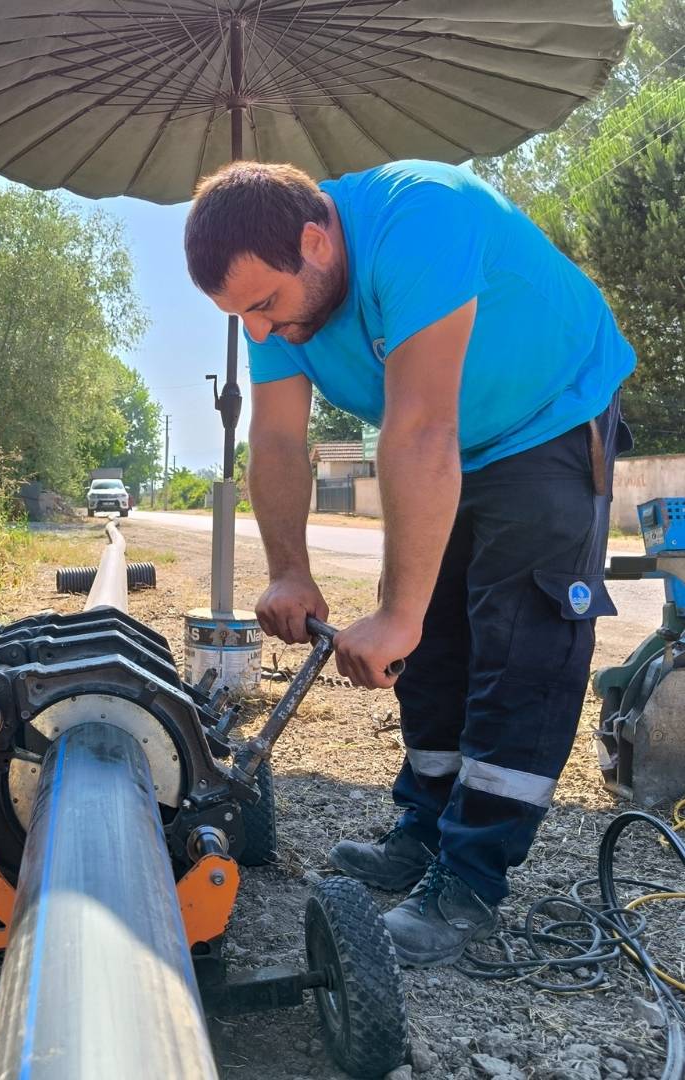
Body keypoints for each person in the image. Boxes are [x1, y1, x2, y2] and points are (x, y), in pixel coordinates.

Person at [183, 160, 635, 968]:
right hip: (451, 442)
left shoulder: (420, 217)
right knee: (430, 637)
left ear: (316, 242)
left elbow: (421, 428)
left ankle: (470, 880)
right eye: (239, 315)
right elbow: (280, 442)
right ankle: (425, 827)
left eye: (263, 305)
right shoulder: (277, 312)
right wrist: (291, 569)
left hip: (549, 414)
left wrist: (394, 612)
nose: (258, 330)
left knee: (520, 641)